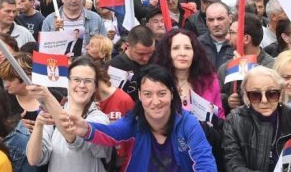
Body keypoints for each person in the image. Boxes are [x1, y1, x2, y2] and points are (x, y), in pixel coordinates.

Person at [61, 64, 217, 171]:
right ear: (140, 96)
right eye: (148, 94)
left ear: (171, 93)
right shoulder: (134, 120)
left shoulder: (187, 123)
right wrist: (87, 129)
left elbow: (205, 162)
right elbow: (112, 133)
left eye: (161, 93)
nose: (155, 102)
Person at [223, 66, 291, 171]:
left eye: (272, 94)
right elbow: (233, 165)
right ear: (247, 96)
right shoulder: (234, 121)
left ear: (280, 95)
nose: (264, 100)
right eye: (255, 95)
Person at [26, 57, 111, 171]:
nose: (82, 85)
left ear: (95, 86)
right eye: (76, 79)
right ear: (68, 82)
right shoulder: (52, 115)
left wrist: (47, 97)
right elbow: (33, 159)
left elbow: (73, 138)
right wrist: (39, 124)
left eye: (88, 81)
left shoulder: (100, 119)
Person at [152, 29, 224, 118]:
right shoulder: (155, 82)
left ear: (195, 52)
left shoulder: (210, 81)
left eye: (187, 48)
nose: (183, 53)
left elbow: (220, 117)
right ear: (167, 53)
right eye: (175, 48)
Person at [41, 0, 106, 56]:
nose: (74, 0)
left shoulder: (95, 19)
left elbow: (104, 48)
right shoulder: (49, 20)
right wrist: (55, 34)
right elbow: (44, 52)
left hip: (87, 65)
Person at [109, 25, 156, 101]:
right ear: (127, 46)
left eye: (150, 53)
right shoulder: (115, 67)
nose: (146, 58)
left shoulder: (156, 59)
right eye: (140, 54)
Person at [0, 53, 40, 132]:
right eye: (4, 79)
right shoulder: (4, 101)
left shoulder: (51, 96)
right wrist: (14, 125)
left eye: (10, 79)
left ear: (26, 77)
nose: (6, 85)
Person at [199, 1, 235, 70]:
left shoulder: (238, 44)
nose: (215, 24)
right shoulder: (197, 44)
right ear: (206, 21)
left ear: (230, 18)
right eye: (211, 20)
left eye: (220, 19)